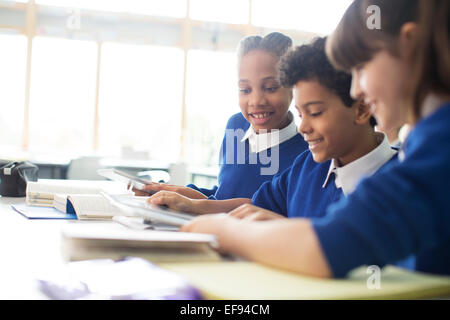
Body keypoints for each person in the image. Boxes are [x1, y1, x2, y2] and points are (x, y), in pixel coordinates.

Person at [180, 0, 450, 278]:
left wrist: (224, 231)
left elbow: (328, 248)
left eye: (361, 67)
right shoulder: (423, 143)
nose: (356, 88)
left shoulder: (440, 145)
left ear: (409, 44)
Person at [148, 37, 398, 220]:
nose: (303, 128)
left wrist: (287, 230)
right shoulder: (307, 166)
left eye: (315, 113)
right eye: (301, 114)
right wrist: (185, 201)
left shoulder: (402, 181)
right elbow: (248, 205)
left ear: (363, 109)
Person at [136, 32, 308, 202]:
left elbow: (259, 211)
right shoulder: (237, 127)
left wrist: (188, 203)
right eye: (245, 90)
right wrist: (166, 191)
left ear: (293, 87)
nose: (256, 101)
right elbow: (224, 195)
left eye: (270, 87)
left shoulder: (305, 155)